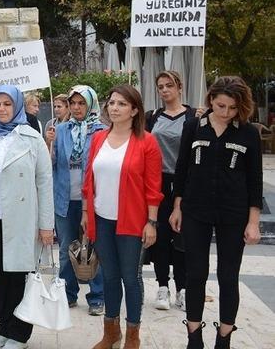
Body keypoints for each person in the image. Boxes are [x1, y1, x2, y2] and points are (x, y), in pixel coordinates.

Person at [170, 76, 262, 349]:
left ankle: (224, 337)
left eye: (232, 108)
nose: (225, 113)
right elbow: (182, 169)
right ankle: (194, 335)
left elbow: (255, 179)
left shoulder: (248, 133)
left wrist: (253, 221)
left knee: (228, 276)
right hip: (195, 210)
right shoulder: (193, 127)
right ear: (210, 100)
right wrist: (177, 207)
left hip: (233, 213)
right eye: (220, 105)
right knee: (195, 273)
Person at [82, 85, 163, 349]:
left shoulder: (146, 141)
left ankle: (133, 335)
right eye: (112, 103)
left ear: (135, 110)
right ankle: (111, 332)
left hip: (132, 221)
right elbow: (89, 179)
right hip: (101, 218)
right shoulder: (98, 139)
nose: (114, 108)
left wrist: (151, 222)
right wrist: (85, 212)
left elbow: (153, 187)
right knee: (109, 277)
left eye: (122, 104)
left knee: (131, 277)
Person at [0, 85, 54, 349]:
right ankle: (4, 324)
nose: (2, 109)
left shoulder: (32, 138)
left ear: (17, 105)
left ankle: (20, 332)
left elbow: (44, 182)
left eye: (8, 104)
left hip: (22, 220)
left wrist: (46, 225)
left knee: (19, 275)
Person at [45, 86, 106, 316]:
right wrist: (48, 142)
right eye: (73, 104)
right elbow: (49, 164)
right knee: (65, 250)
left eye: (82, 103)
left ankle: (97, 296)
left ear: (90, 104)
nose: (77, 108)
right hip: (64, 199)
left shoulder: (102, 131)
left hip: (91, 201)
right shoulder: (59, 130)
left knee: (93, 248)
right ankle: (67, 294)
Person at [146, 70, 196, 312]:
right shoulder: (153, 117)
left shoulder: (194, 117)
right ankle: (162, 286)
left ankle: (183, 288)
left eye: (169, 85)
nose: (165, 90)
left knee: (183, 238)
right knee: (162, 236)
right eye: (160, 86)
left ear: (180, 87)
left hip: (186, 183)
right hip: (158, 182)